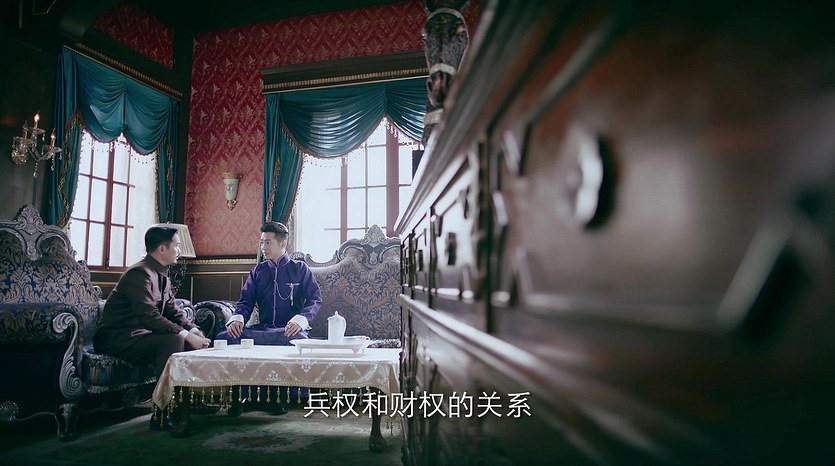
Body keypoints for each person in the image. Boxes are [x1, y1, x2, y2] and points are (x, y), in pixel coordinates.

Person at [94, 226, 211, 430]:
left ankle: (188, 403)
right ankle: (162, 412)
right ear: (162, 249)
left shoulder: (161, 273)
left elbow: (173, 311)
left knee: (192, 338)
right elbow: (149, 316)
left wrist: (194, 331)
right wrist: (185, 334)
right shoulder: (140, 273)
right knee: (174, 339)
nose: (179, 250)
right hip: (118, 338)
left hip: (141, 336)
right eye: (177, 245)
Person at [215, 221, 322, 413]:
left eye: (268, 242)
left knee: (298, 340)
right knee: (226, 337)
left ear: (283, 243)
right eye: (262, 242)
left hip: (288, 330)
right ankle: (239, 395)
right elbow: (245, 302)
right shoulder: (258, 271)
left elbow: (315, 299)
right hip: (263, 329)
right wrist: (238, 318)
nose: (263, 247)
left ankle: (278, 397)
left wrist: (301, 320)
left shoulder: (299, 269)